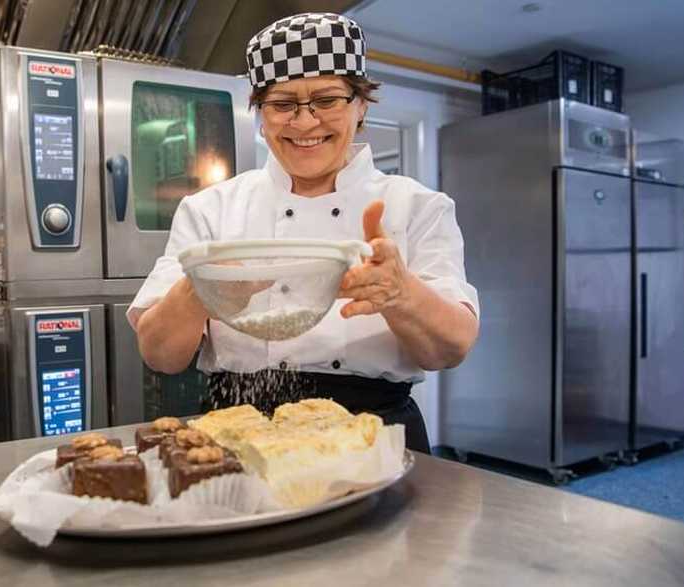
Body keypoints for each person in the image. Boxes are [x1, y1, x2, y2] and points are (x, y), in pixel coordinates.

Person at [128, 13, 479, 454]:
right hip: (239, 426)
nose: (305, 122)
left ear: (361, 103)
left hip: (376, 434)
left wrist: (400, 292)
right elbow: (160, 355)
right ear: (260, 113)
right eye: (282, 103)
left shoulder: (418, 207)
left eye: (327, 99)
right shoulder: (209, 210)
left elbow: (451, 349)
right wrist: (201, 290)